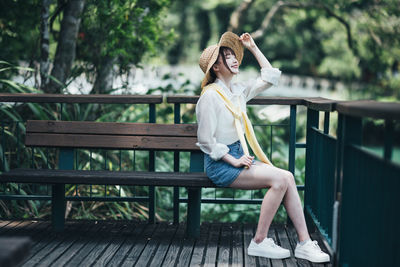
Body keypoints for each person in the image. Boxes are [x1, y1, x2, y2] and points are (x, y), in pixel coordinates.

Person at [196, 32, 330, 263]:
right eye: (226, 56)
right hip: (221, 163)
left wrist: (253, 48)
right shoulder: (210, 97)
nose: (234, 59)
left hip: (240, 154)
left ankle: (304, 243)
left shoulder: (237, 91)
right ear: (216, 68)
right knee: (280, 180)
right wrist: (233, 160)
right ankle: (259, 241)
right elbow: (206, 141)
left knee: (287, 176)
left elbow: (270, 77)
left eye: (233, 55)